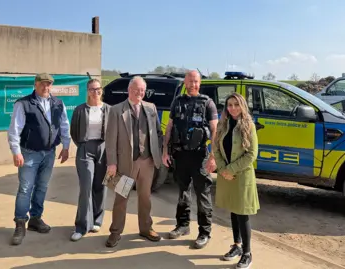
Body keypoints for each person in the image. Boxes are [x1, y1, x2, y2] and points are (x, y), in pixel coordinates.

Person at [7, 72, 71, 246]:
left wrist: (66, 147)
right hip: (29, 153)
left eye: (49, 84)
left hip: (49, 152)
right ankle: (20, 223)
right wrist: (16, 151)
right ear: (35, 85)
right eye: (42, 84)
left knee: (42, 187)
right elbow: (15, 129)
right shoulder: (24, 104)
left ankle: (35, 219)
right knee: (26, 188)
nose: (46, 87)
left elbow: (64, 125)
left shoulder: (58, 103)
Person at [104, 76, 163, 248]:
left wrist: (156, 153)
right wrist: (111, 163)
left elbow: (158, 133)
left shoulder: (151, 108)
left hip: (147, 161)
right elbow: (110, 140)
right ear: (129, 90)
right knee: (121, 198)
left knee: (145, 197)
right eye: (136, 90)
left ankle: (146, 228)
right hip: (124, 163)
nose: (139, 93)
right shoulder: (116, 110)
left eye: (142, 90)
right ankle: (115, 232)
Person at [162, 70, 218, 249]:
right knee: (183, 192)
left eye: (196, 81)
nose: (193, 84)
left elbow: (215, 131)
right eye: (190, 81)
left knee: (203, 194)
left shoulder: (208, 103)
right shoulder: (177, 102)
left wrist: (212, 156)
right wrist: (165, 151)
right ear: (185, 83)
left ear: (199, 83)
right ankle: (183, 225)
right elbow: (169, 127)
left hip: (200, 155)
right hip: (180, 154)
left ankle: (204, 232)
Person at [212, 92, 259, 269]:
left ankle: (247, 253)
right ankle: (237, 246)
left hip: (241, 175)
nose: (232, 108)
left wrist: (230, 169)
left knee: (242, 213)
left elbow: (252, 154)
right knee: (233, 210)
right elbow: (215, 148)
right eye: (229, 105)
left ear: (242, 106)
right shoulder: (223, 124)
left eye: (236, 104)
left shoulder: (248, 126)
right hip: (226, 175)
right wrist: (223, 169)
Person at [69, 78, 110, 241]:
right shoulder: (80, 110)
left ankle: (97, 220)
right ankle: (81, 226)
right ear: (87, 91)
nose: (95, 92)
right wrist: (82, 145)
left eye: (98, 89)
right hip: (85, 149)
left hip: (104, 149)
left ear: (101, 90)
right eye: (92, 89)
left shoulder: (109, 109)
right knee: (86, 187)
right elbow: (74, 131)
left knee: (101, 186)